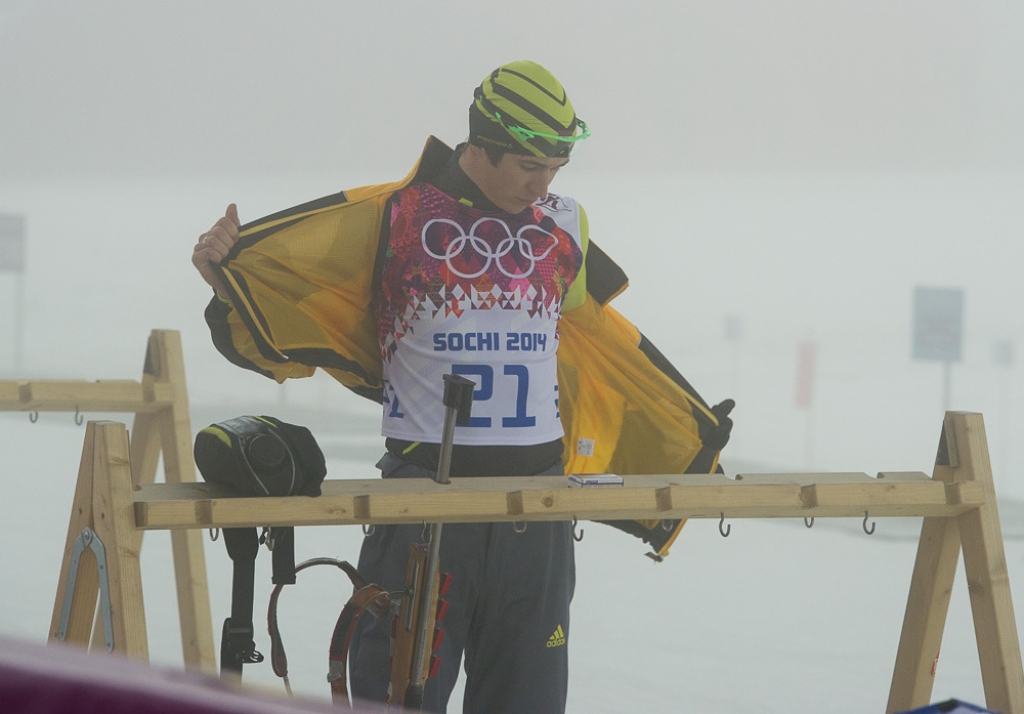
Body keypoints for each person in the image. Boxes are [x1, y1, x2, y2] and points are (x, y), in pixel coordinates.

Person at [192, 60, 732, 714]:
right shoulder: (395, 216)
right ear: (482, 143)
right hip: (423, 504)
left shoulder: (566, 222)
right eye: (531, 164)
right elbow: (306, 295)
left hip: (538, 513)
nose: (544, 182)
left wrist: (681, 431)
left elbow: (603, 344)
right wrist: (232, 278)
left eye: (557, 166)